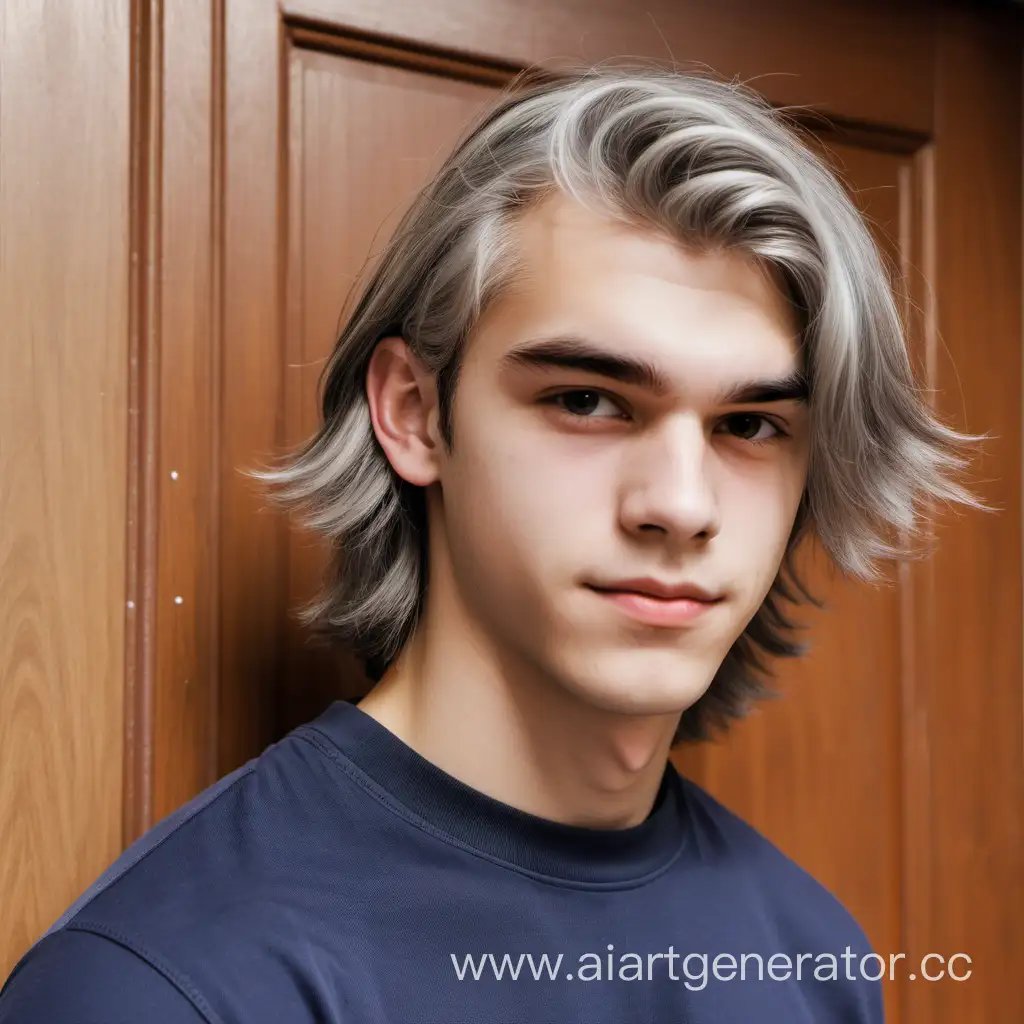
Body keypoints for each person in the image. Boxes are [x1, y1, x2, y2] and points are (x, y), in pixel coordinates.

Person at [0, 62, 981, 1023]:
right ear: (415, 412)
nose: (681, 505)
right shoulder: (167, 983)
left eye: (750, 423)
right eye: (587, 400)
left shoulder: (814, 955)